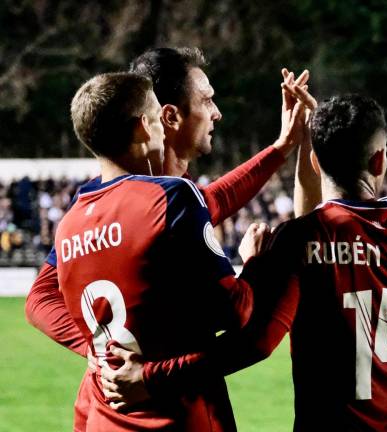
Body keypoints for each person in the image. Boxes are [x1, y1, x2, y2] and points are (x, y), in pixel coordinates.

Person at [103, 93, 387, 431]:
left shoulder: (300, 240)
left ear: (314, 160)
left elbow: (253, 342)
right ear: (381, 160)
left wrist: (153, 377)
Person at [24, 47, 307, 430]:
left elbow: (212, 201)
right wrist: (259, 262)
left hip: (103, 413)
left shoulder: (79, 214)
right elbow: (240, 320)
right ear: (161, 119)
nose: (217, 112)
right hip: (179, 415)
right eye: (207, 100)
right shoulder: (170, 199)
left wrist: (104, 349)